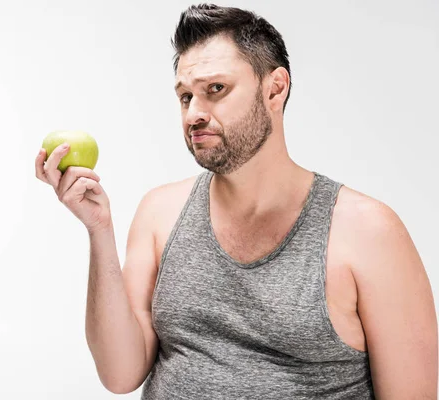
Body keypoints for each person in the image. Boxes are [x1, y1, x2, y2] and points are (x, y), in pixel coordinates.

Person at [35, 4, 438, 399]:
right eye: (185, 96)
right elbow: (120, 374)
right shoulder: (160, 212)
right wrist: (98, 229)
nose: (194, 113)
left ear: (275, 89)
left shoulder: (368, 231)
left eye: (216, 89)